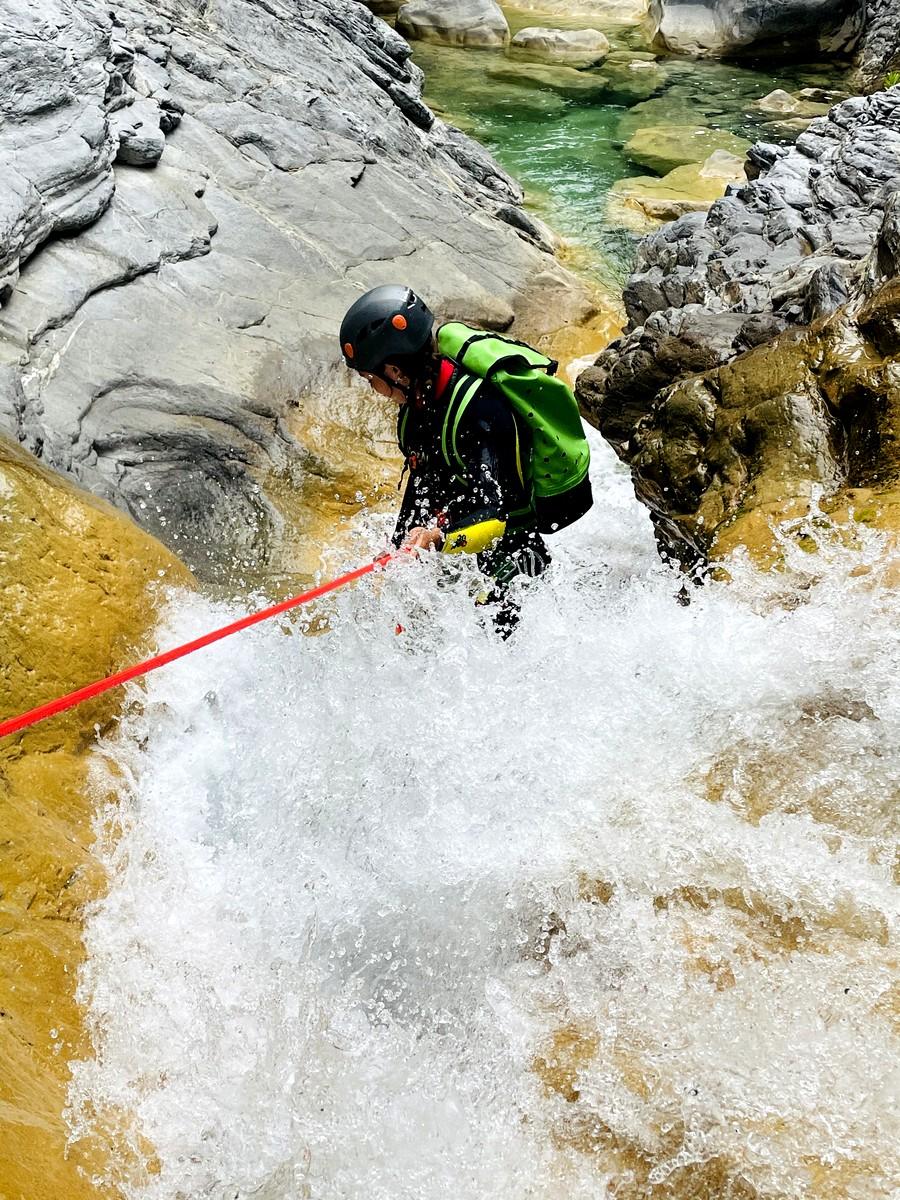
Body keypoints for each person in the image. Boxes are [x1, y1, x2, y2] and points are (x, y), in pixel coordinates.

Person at [339, 285, 555, 634]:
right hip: (470, 557)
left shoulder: (481, 410)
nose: (370, 387)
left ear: (394, 371)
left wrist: (435, 538)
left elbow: (493, 515)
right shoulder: (414, 413)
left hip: (518, 559)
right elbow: (422, 484)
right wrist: (396, 548)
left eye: (369, 377)